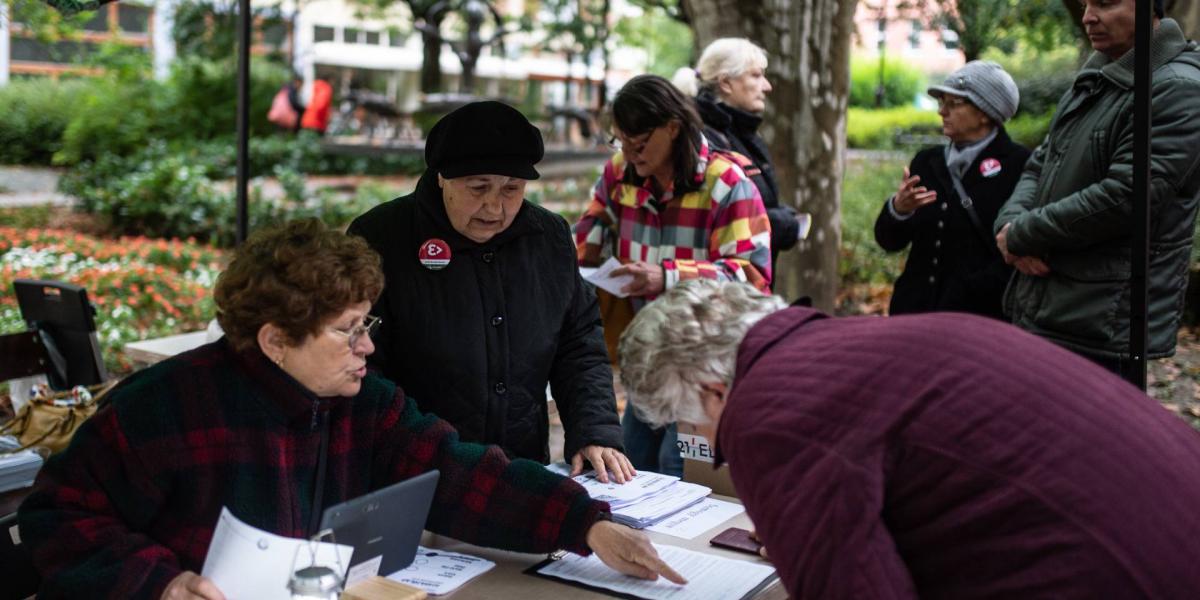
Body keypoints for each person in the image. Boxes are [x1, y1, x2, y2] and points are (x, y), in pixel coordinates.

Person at [17, 219, 684, 600]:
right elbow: (57, 518)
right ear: (276, 340)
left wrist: (586, 525)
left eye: (368, 324)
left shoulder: (362, 400)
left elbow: (458, 473)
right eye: (348, 330)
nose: (368, 346)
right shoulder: (165, 407)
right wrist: (158, 584)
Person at [618, 279, 1200, 599]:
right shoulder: (855, 346)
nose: (716, 448)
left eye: (698, 427)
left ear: (713, 388)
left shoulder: (770, 408)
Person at [349, 101, 631, 482]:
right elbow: (360, 363)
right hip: (415, 468)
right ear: (441, 179)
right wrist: (415, 447)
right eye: (478, 188)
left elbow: (578, 343)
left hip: (520, 466)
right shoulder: (381, 237)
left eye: (511, 189)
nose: (494, 206)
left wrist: (595, 430)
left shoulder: (548, 238)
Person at [573, 74, 772, 476]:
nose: (629, 154)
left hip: (708, 364)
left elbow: (751, 277)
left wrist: (666, 278)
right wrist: (576, 263)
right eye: (620, 142)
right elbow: (589, 230)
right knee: (633, 465)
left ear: (673, 127)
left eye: (640, 143)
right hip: (647, 359)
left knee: (681, 467)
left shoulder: (727, 183)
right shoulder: (619, 173)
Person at [994, 0, 1200, 379]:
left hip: (1102, 324)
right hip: (1048, 306)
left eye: (1104, 3)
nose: (1088, 16)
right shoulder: (1098, 75)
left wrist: (1022, 234)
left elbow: (1124, 197)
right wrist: (1009, 225)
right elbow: (1041, 162)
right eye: (1086, 2)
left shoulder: (1178, 89)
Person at [874, 61, 1030, 319]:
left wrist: (972, 291)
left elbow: (1017, 251)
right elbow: (889, 241)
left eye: (954, 104)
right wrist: (899, 210)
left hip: (978, 320)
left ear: (985, 113)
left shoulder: (1018, 164)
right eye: (941, 102)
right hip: (913, 315)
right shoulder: (927, 161)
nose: (942, 112)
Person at [680, 38, 803, 276]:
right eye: (756, 76)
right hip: (721, 290)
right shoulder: (703, 139)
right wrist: (783, 223)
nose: (766, 86)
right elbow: (712, 220)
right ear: (726, 82)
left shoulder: (738, 132)